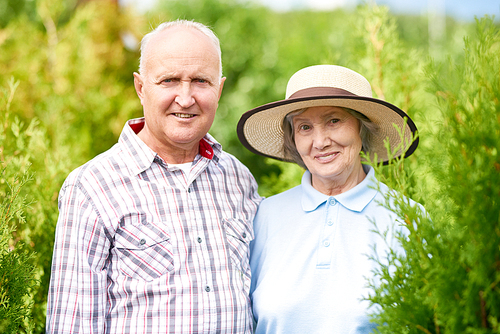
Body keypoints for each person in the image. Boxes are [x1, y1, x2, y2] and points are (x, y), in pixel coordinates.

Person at [46, 20, 261, 334]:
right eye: (169, 80)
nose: (186, 98)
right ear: (141, 87)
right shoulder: (92, 187)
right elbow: (72, 325)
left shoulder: (238, 180)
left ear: (219, 89)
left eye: (201, 81)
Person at [237, 64, 420, 334]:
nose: (320, 141)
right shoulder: (265, 215)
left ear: (362, 128)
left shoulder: (406, 218)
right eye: (305, 127)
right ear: (293, 138)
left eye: (334, 121)